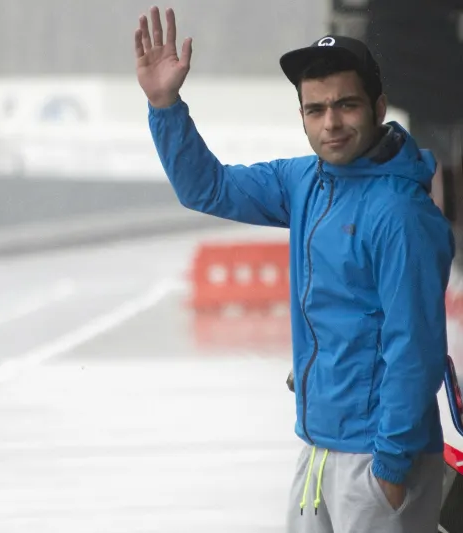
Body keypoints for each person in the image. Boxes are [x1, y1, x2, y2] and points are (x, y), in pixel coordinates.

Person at [134, 6, 455, 533]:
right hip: (319, 448)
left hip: (377, 461)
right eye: (316, 109)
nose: (331, 122)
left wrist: (391, 469)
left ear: (377, 106)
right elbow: (206, 188)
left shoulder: (401, 215)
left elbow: (414, 349)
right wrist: (164, 104)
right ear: (303, 116)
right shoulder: (303, 181)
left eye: (346, 105)